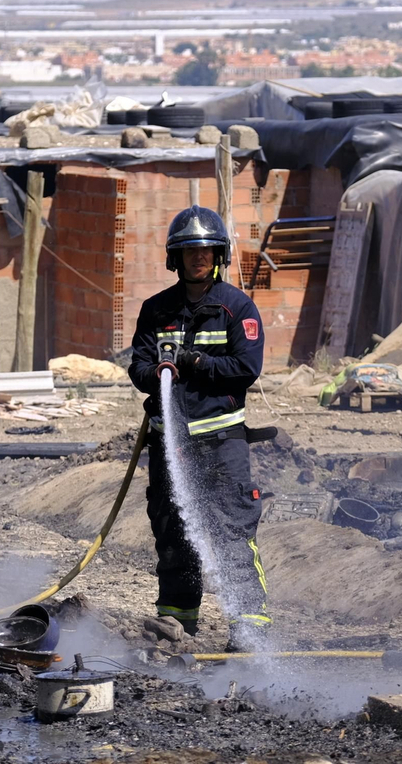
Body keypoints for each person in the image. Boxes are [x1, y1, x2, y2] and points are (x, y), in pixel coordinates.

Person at [127, 206, 269, 651]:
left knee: (230, 529)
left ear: (219, 254)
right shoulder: (156, 310)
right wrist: (157, 373)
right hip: (171, 443)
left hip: (221, 441)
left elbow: (246, 367)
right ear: (176, 257)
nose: (198, 258)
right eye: (189, 251)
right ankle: (176, 625)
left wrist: (197, 363)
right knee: (172, 532)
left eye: (205, 250)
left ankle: (249, 626)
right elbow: (138, 365)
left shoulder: (236, 308)